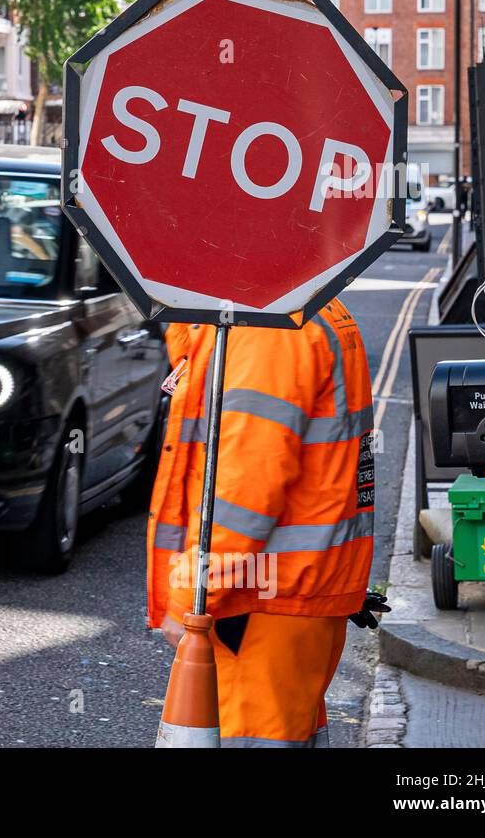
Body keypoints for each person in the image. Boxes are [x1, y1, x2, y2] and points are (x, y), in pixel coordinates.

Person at [146, 298, 386, 747]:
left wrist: (192, 597)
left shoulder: (264, 324)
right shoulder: (295, 305)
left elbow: (246, 484)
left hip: (256, 601)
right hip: (285, 597)